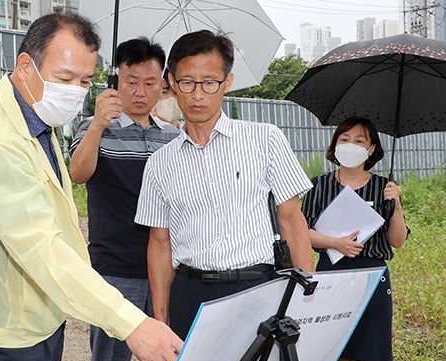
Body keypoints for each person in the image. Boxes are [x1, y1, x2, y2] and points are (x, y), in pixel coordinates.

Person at [0, 13, 182, 361]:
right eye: (65, 78)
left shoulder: (35, 119)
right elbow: (41, 247)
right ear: (27, 66)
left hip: (37, 317)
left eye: (85, 80)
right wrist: (133, 324)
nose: (75, 90)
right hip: (5, 335)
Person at [134, 29, 315, 344]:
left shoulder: (265, 139)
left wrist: (306, 303)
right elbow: (160, 246)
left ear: (227, 82)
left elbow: (291, 221)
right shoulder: (159, 164)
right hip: (190, 294)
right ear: (173, 84)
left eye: (209, 82)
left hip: (258, 289)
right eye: (187, 82)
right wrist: (161, 320)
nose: (198, 94)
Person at [69, 37, 180, 361]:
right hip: (115, 268)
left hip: (166, 269)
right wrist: (99, 125)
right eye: (131, 82)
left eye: (150, 83)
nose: (140, 92)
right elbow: (78, 173)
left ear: (163, 85)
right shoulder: (94, 127)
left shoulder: (172, 138)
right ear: (116, 81)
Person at [301, 117, 409, 361]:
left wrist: (396, 205)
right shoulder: (319, 185)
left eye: (360, 141)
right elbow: (302, 232)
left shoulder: (384, 188)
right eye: (344, 139)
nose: (351, 145)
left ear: (371, 149)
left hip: (372, 277)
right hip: (332, 274)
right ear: (335, 145)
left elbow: (397, 240)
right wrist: (335, 243)